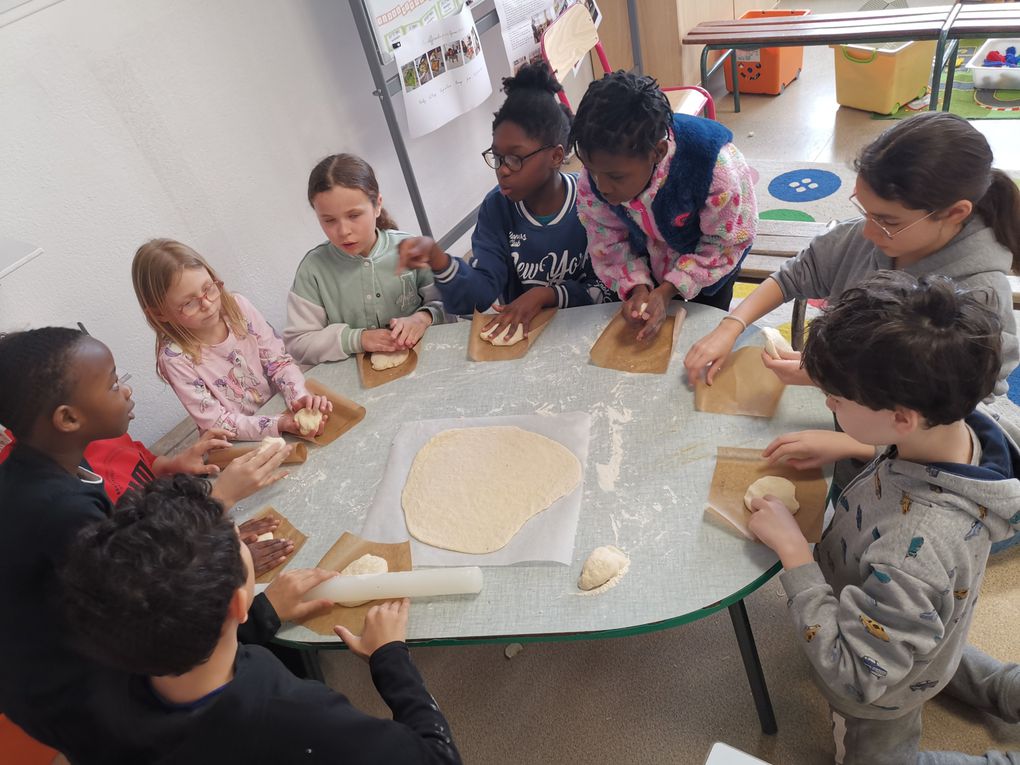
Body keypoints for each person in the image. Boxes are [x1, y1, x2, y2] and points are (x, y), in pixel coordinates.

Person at [0, 328, 333, 761]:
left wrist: (198, 534)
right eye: (114, 383)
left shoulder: (52, 461)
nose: (127, 390)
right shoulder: (60, 513)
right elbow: (150, 619)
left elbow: (124, 546)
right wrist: (219, 512)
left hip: (92, 635)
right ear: (68, 418)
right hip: (87, 697)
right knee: (253, 665)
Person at [747, 272, 1020, 765]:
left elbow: (858, 672)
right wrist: (858, 440)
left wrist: (794, 555)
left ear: (901, 417)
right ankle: (1006, 689)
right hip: (918, 625)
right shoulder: (963, 421)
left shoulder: (917, 548)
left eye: (836, 397)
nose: (827, 402)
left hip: (883, 692)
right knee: (936, 651)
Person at [60, 474, 462, 765]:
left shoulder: (105, 685)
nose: (247, 543)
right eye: (241, 545)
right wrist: (390, 659)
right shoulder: (294, 714)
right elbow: (438, 756)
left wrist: (265, 613)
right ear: (239, 601)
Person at [685, 112, 1020, 390]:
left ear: (954, 214)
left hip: (892, 441)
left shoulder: (981, 296)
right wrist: (732, 326)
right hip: (844, 400)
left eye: (888, 220)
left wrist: (833, 382)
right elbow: (794, 276)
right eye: (865, 211)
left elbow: (956, 413)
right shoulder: (868, 237)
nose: (868, 231)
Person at [397, 62, 612, 342]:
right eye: (498, 157)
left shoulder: (590, 201)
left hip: (590, 332)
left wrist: (547, 294)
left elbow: (606, 287)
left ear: (556, 156)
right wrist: (439, 260)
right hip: (527, 342)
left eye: (515, 158)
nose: (503, 169)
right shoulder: (497, 209)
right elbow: (479, 294)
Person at [567, 70, 757, 341]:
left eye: (616, 177)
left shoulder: (715, 169)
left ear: (658, 152)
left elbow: (724, 244)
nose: (603, 186)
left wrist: (668, 289)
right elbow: (605, 240)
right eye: (592, 170)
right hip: (647, 253)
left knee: (705, 334)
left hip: (712, 257)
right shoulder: (598, 174)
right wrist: (637, 287)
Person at [132, 238, 332, 440]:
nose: (207, 304)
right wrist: (280, 423)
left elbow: (278, 362)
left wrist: (299, 397)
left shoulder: (238, 307)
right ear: (160, 314)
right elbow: (217, 422)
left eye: (209, 288)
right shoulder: (175, 359)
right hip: (239, 442)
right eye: (189, 303)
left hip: (282, 409)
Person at [283, 154, 445, 365]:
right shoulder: (313, 270)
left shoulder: (412, 249)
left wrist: (423, 318)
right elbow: (298, 343)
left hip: (426, 361)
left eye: (354, 216)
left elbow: (448, 304)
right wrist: (357, 339)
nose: (343, 231)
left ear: (377, 205)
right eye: (329, 220)